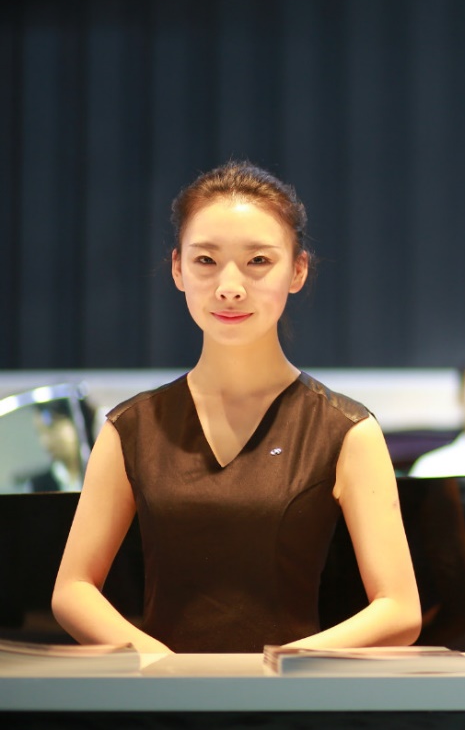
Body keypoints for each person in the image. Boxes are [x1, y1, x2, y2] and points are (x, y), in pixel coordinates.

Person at [52, 161, 421, 653]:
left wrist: (283, 666)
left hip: (290, 692)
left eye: (258, 260)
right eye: (206, 260)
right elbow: (72, 589)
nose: (230, 286)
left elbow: (399, 608)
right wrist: (159, 665)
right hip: (163, 693)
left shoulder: (346, 430)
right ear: (178, 269)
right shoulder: (131, 427)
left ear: (298, 270)